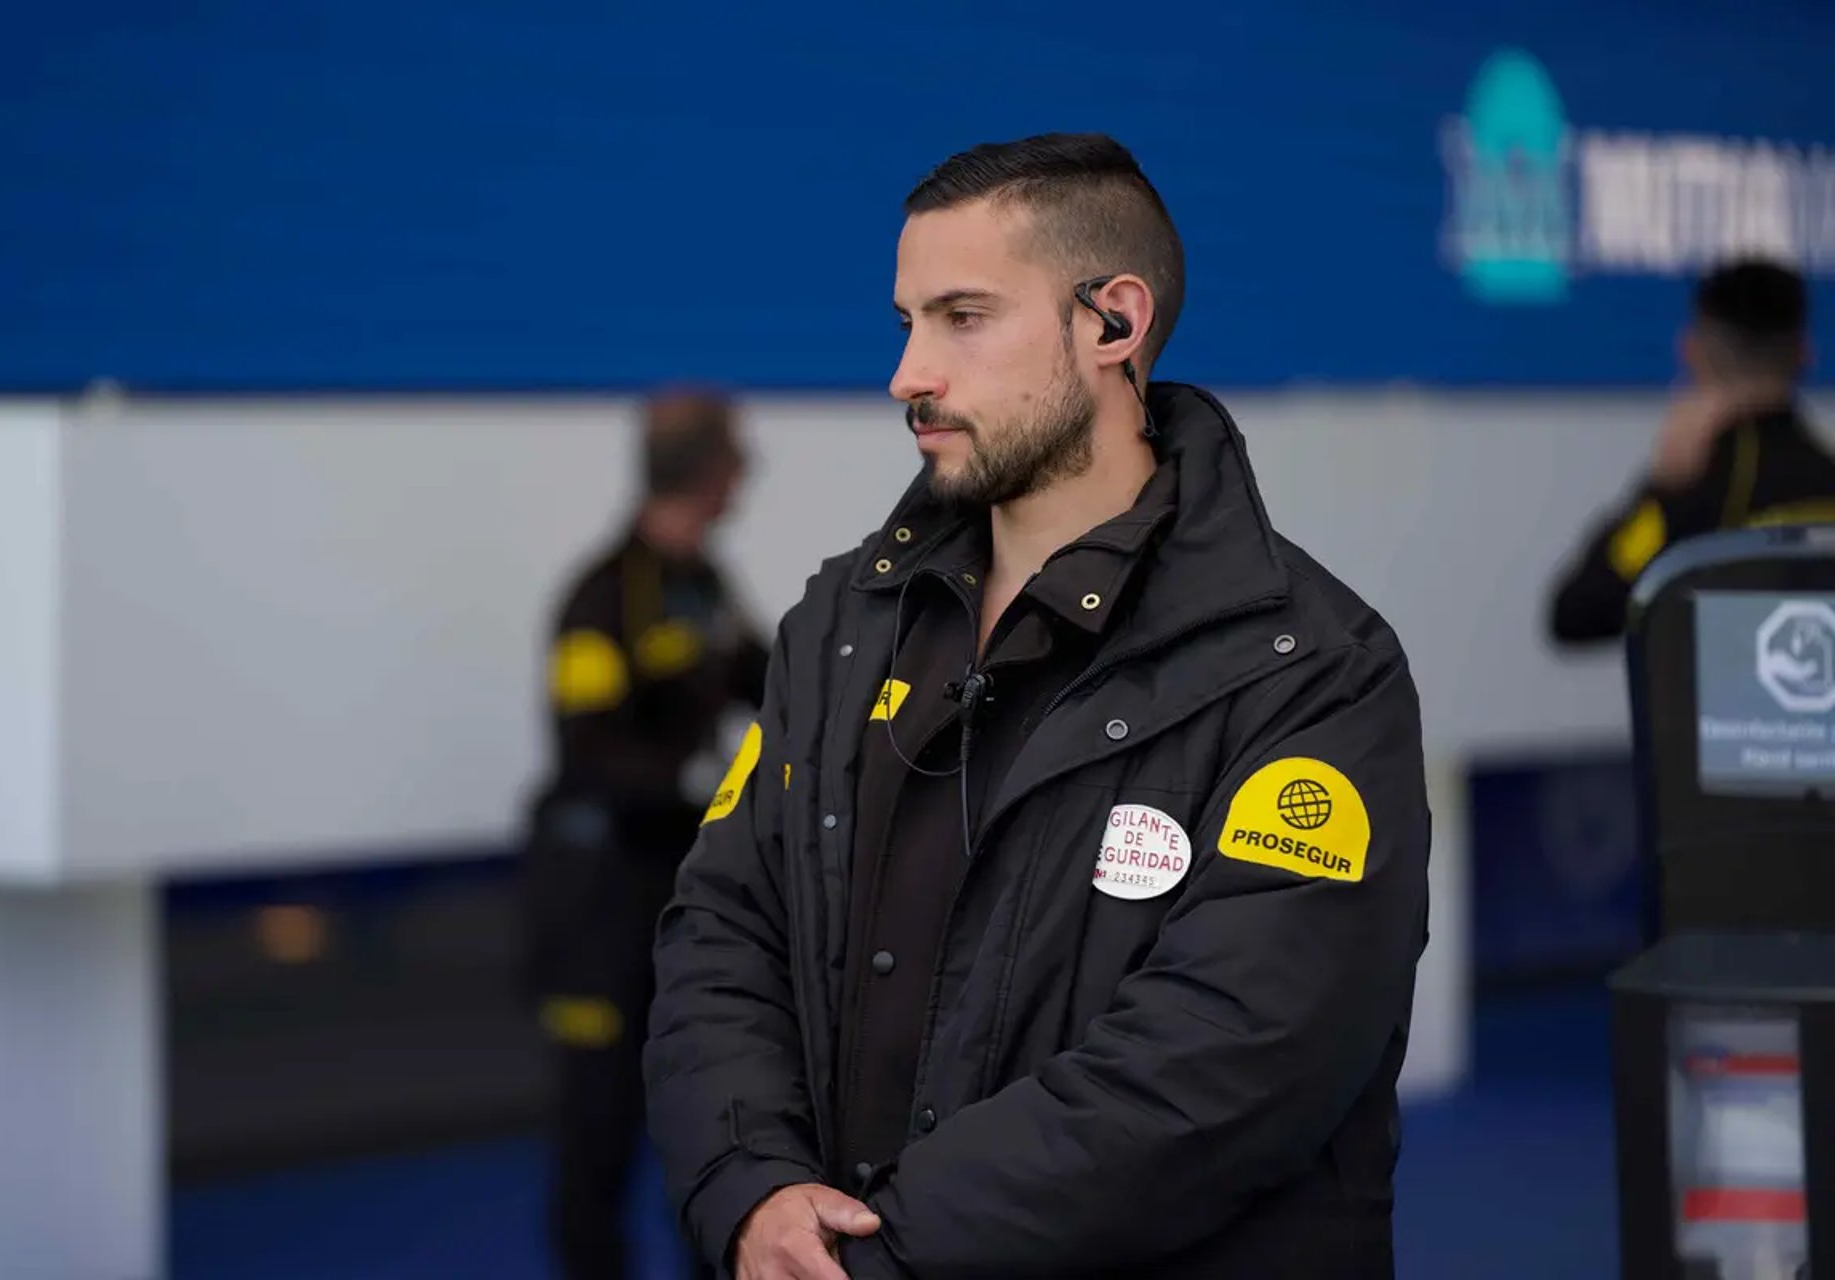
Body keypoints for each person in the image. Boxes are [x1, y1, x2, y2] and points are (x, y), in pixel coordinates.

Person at [643, 133, 1432, 1280]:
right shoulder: (840, 623)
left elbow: (1231, 1059)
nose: (909, 373)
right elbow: (722, 930)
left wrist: (883, 1256)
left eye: (963, 317)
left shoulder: (1309, 669)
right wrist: (750, 1185)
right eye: (907, 321)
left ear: (1113, 324)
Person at [523, 388, 769, 1280]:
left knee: (698, 1108)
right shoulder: (600, 598)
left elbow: (771, 679)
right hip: (594, 910)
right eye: (736, 461)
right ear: (708, 474)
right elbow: (583, 751)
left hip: (679, 894)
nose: (745, 480)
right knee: (595, 1129)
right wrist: (700, 780)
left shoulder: (703, 585)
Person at [1549, 258, 1835, 645]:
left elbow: (1578, 613)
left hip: (1718, 705)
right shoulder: (1824, 475)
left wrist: (1662, 490)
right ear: (1805, 353)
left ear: (1691, 351)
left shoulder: (1689, 491)